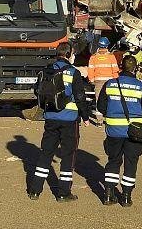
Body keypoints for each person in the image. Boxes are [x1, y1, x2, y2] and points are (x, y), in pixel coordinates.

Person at [27, 41, 92, 202]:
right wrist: (85, 117)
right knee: (68, 155)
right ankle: (63, 192)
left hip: (50, 118)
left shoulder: (46, 70)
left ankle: (35, 190)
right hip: (69, 119)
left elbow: (37, 90)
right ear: (69, 55)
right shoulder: (73, 72)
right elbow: (80, 97)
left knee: (46, 153)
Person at [96, 55, 142, 206]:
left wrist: (113, 113)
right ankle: (126, 196)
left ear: (121, 67)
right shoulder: (140, 86)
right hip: (134, 132)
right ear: (135, 69)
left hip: (114, 130)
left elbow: (101, 107)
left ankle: (108, 194)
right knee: (131, 162)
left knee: (113, 160)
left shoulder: (110, 84)